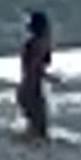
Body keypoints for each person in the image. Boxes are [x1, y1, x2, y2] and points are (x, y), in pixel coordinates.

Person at [15, 9, 54, 142]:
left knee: (33, 130)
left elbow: (29, 67)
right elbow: (35, 68)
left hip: (25, 89)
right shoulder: (40, 45)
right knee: (40, 132)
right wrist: (47, 77)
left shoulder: (30, 44)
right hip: (32, 90)